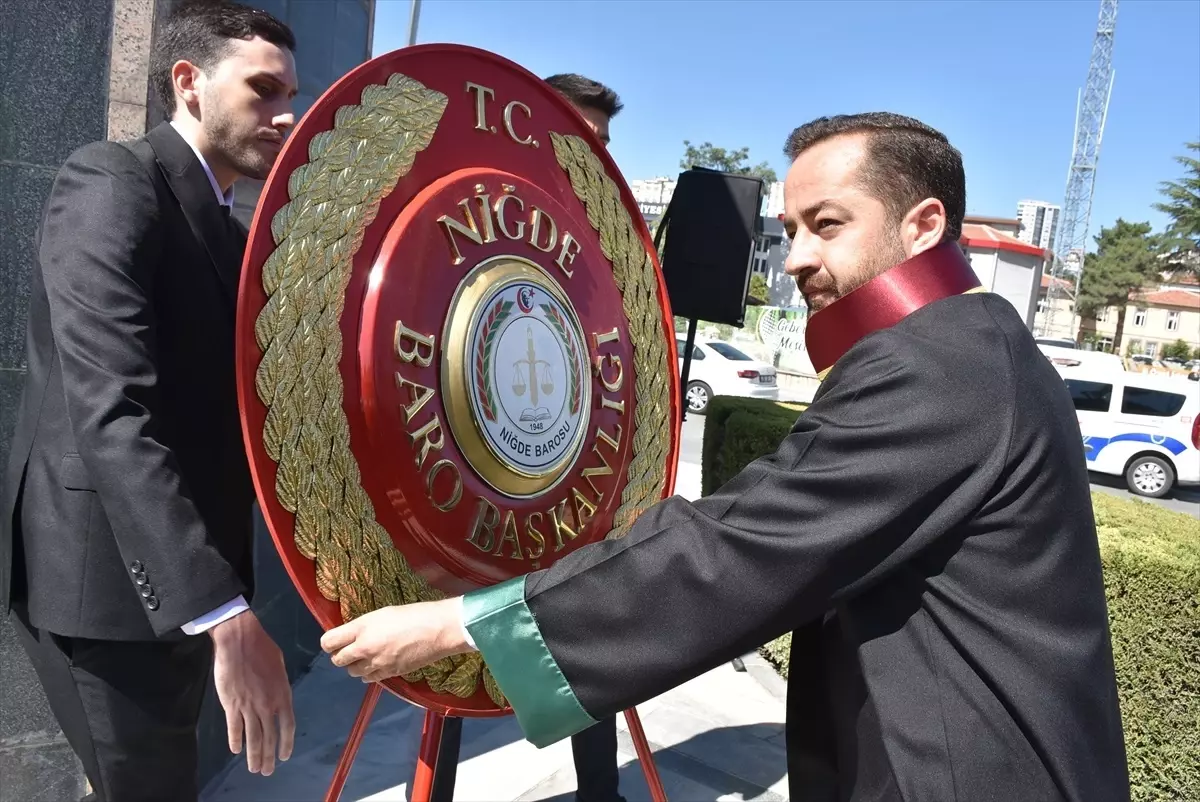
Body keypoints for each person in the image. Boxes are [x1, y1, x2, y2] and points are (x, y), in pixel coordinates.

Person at [320, 111, 1133, 801]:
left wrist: (466, 621)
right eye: (788, 232)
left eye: (828, 224)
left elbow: (740, 545)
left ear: (923, 225)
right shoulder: (972, 343)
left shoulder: (940, 361)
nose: (798, 258)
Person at [0, 2, 300, 800]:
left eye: (290, 94)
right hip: (105, 595)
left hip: (182, 583)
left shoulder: (236, 237)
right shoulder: (110, 180)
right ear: (188, 84)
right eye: (264, 90)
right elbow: (111, 409)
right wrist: (222, 614)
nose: (286, 113)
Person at [426, 72, 629, 802]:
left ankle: (599, 793)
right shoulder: (468, 202)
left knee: (586, 646)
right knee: (446, 666)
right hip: (463, 482)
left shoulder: (609, 247)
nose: (590, 154)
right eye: (575, 134)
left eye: (601, 143)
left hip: (565, 487)